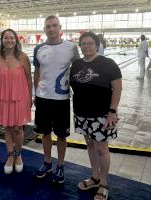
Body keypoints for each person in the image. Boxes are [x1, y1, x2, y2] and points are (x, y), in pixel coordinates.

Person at [70, 31, 122, 200]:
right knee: (90, 144)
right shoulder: (76, 64)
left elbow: (118, 88)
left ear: (97, 44)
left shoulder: (108, 63)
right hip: (82, 113)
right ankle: (94, 177)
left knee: (101, 148)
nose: (87, 46)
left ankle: (104, 183)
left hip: (101, 115)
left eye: (90, 43)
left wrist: (112, 111)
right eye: (83, 44)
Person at [33, 15, 80, 183]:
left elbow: (79, 69)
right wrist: (35, 93)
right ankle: (47, 163)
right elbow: (37, 73)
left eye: (54, 25)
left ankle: (60, 166)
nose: (51, 29)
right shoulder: (38, 48)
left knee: (61, 135)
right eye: (48, 26)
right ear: (44, 29)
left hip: (62, 98)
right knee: (45, 132)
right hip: (43, 97)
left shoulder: (71, 48)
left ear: (60, 28)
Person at [0, 29, 32, 174]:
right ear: (2, 40)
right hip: (4, 96)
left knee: (18, 128)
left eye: (11, 38)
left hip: (20, 96)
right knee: (7, 127)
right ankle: (10, 156)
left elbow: (29, 77)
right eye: (6, 38)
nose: (9, 40)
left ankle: (18, 155)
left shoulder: (23, 57)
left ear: (16, 40)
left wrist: (30, 97)